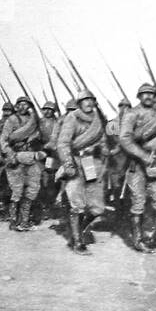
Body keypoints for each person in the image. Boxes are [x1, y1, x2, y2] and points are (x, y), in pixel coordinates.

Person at [57, 89, 106, 253]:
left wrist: (104, 149)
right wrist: (69, 164)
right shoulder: (73, 117)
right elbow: (63, 143)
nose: (89, 103)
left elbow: (104, 141)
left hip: (91, 163)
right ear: (79, 103)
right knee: (77, 204)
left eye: (91, 100)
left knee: (97, 208)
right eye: (85, 100)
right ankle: (78, 242)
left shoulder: (98, 120)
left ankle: (75, 232)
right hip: (76, 162)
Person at [117, 83, 156, 252]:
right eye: (144, 94)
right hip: (137, 164)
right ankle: (138, 240)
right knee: (138, 201)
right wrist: (144, 156)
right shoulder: (131, 114)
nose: (148, 96)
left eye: (151, 94)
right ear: (138, 96)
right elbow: (124, 139)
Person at [0, 97, 43, 232]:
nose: (23, 107)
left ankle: (24, 221)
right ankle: (13, 221)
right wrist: (10, 155)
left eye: (26, 104)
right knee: (17, 190)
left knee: (32, 189)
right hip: (16, 157)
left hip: (31, 157)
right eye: (20, 104)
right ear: (16, 106)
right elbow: (4, 141)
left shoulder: (34, 120)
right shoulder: (12, 120)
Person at [0, 102, 16, 221]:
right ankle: (2, 208)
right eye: (5, 110)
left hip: (14, 157)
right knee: (2, 185)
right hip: (2, 159)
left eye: (9, 111)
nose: (6, 113)